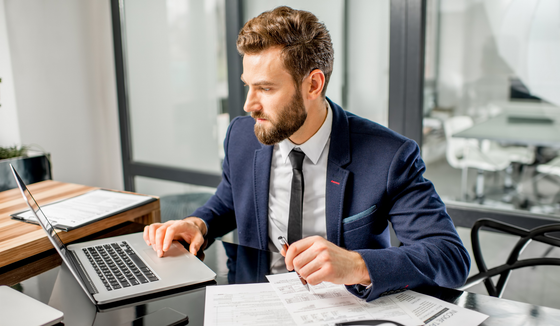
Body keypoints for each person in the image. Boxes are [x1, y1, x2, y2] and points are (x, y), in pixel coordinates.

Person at [144, 6, 470, 301]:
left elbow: (450, 258)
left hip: (345, 309)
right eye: (248, 85)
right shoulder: (242, 136)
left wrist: (356, 265)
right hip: (255, 300)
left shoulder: (389, 156)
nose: (248, 105)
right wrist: (198, 223)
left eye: (266, 88)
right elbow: (229, 200)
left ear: (313, 85)